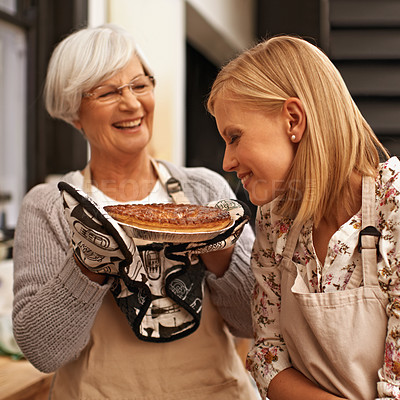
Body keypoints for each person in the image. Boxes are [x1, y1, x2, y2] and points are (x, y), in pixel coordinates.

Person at [12, 24, 258, 399]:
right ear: (74, 112)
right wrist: (89, 265)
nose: (131, 104)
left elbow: (254, 320)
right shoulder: (51, 206)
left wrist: (220, 252)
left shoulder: (203, 190)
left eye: (140, 86)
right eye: (108, 92)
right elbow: (42, 351)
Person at [206, 34, 400, 400]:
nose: (227, 163)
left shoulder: (395, 205)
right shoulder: (274, 218)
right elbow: (265, 357)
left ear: (293, 119)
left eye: (235, 137)